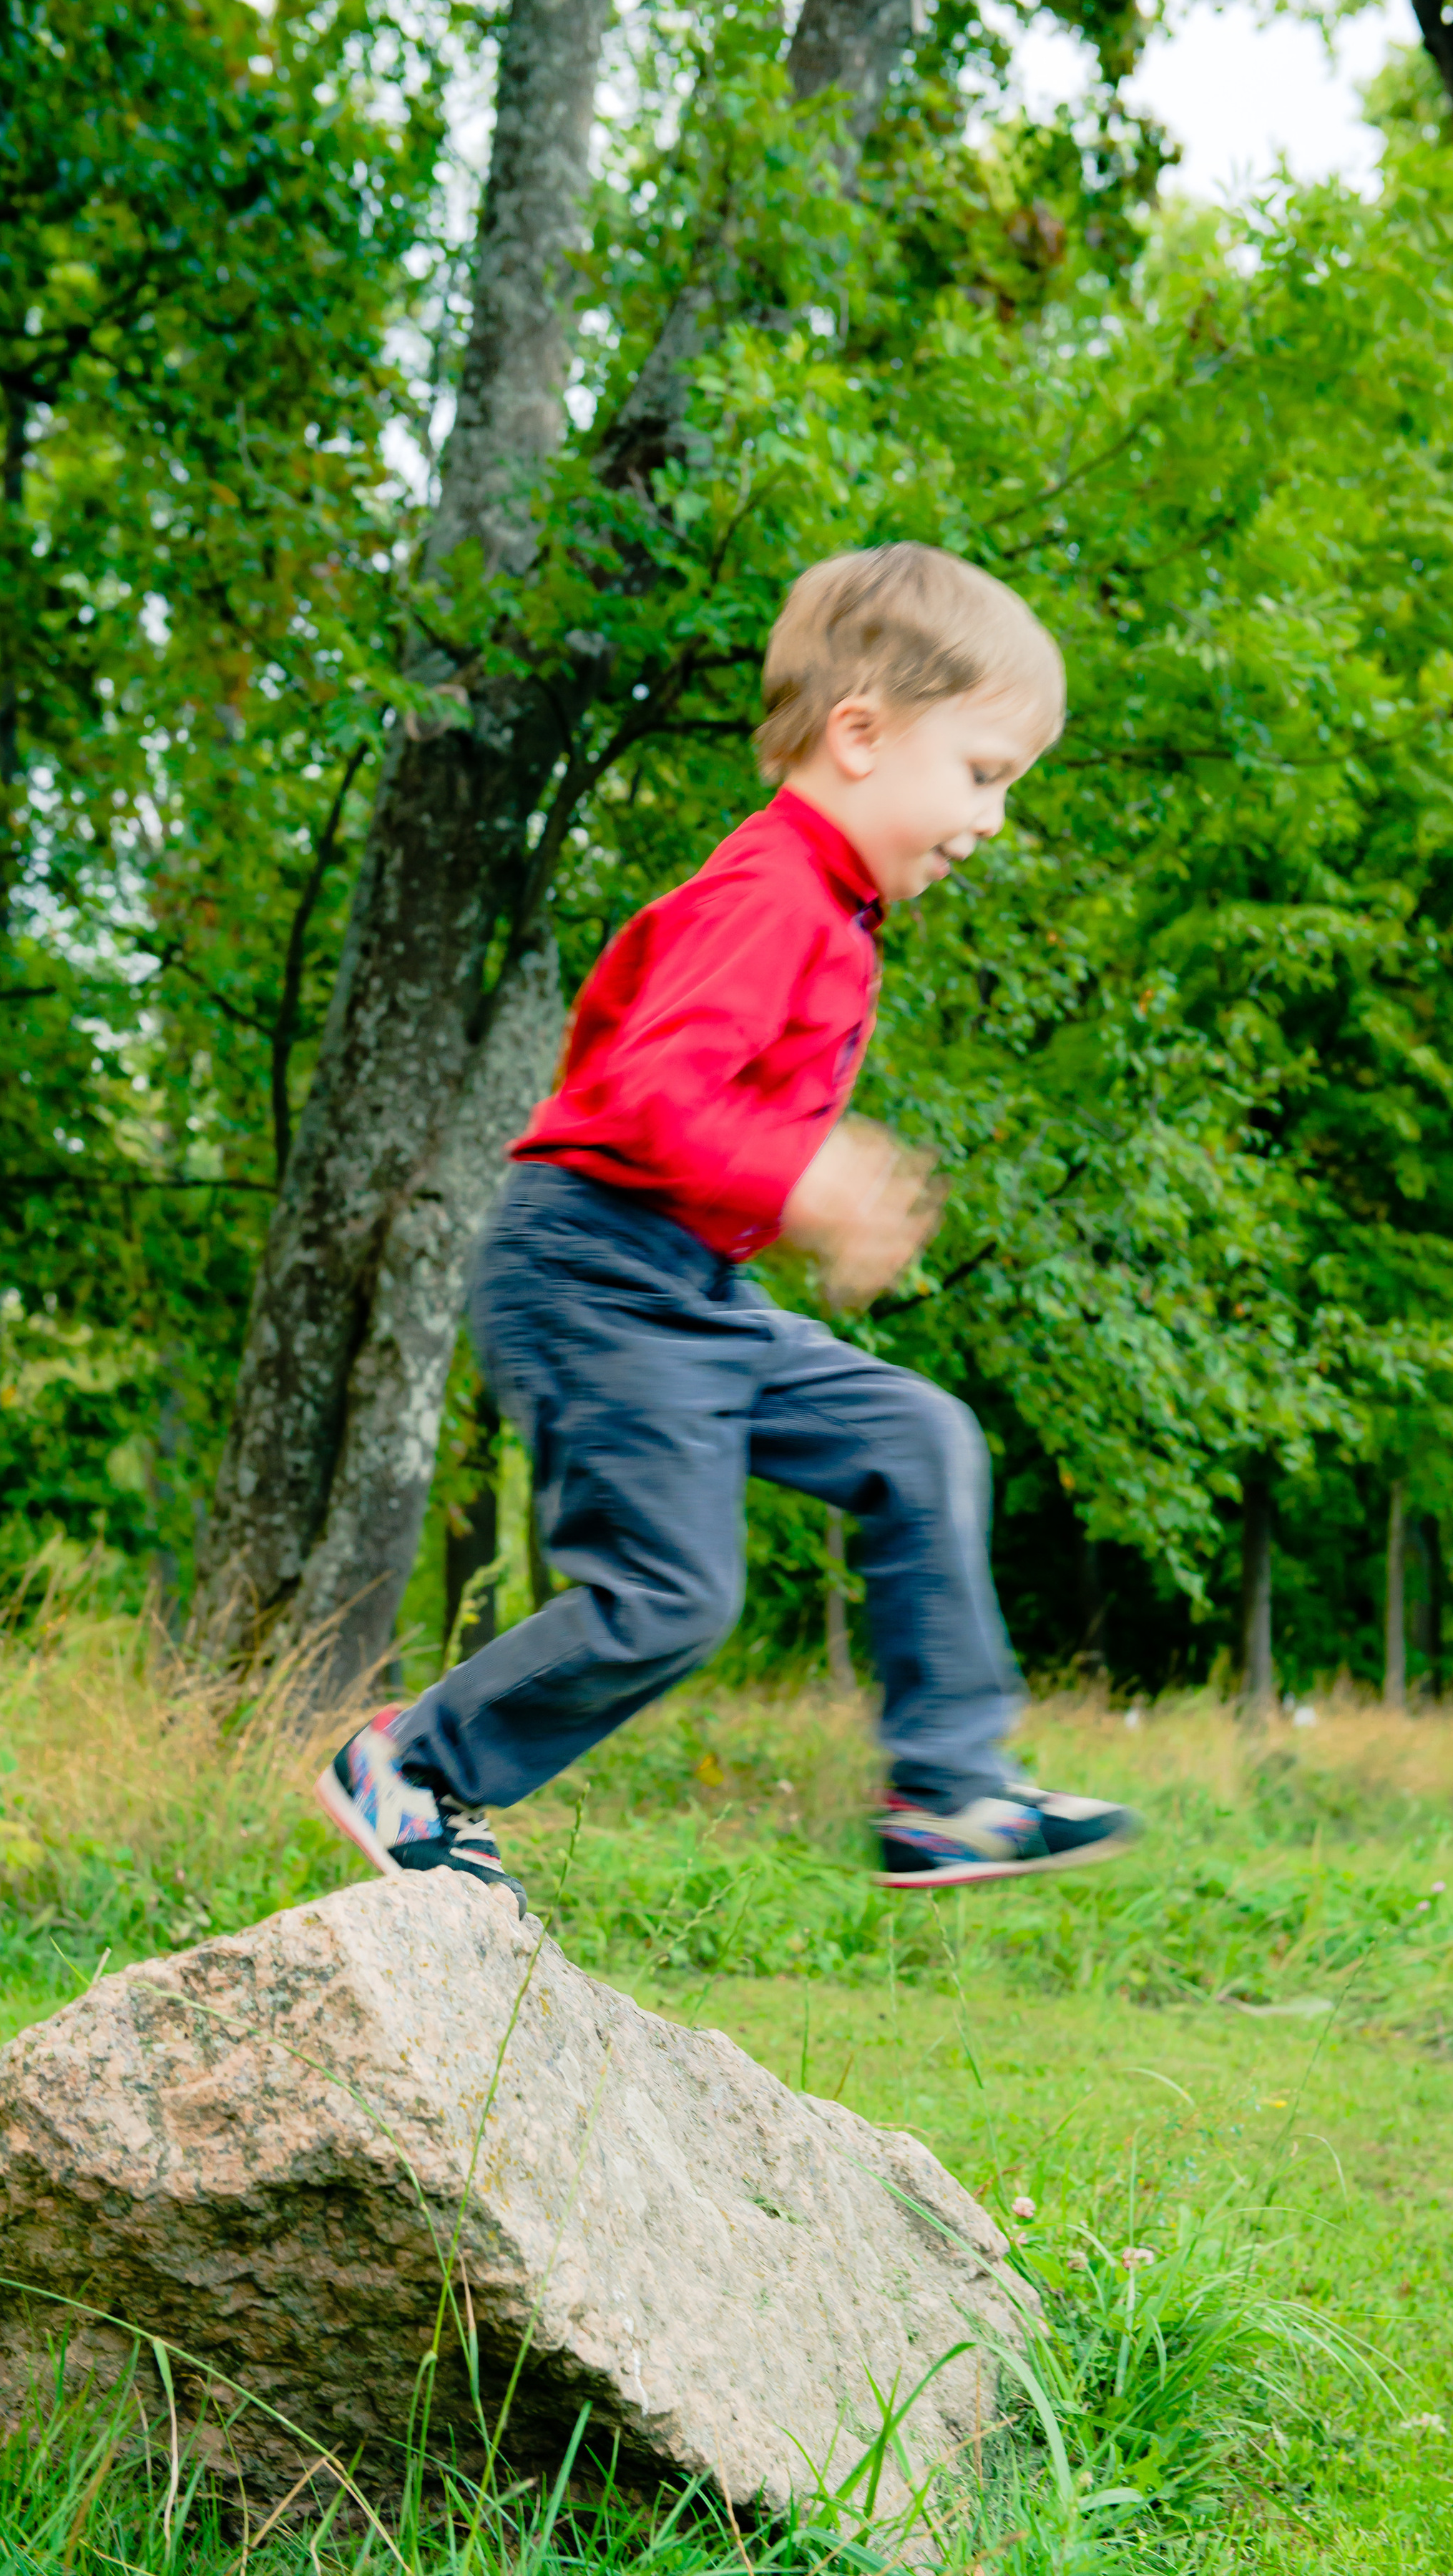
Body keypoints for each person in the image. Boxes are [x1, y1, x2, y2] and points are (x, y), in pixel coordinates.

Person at [317, 543, 1137, 1912]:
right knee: (672, 1596)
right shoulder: (771, 895)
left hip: (683, 1287)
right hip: (591, 1270)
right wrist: (802, 1179)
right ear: (861, 735)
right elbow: (644, 1094)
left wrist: (780, 1193)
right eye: (985, 773)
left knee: (918, 1437)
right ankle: (411, 1762)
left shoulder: (832, 909)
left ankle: (947, 1792)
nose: (993, 819)